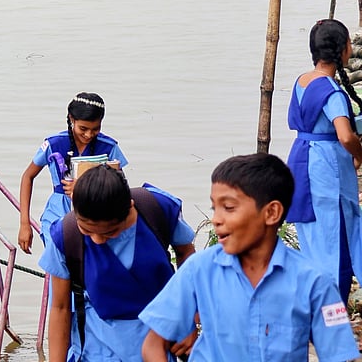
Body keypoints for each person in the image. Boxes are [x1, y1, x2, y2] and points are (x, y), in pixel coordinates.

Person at [141, 153, 360, 362]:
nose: (216, 219)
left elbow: (336, 353)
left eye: (228, 208)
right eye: (214, 208)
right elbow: (153, 344)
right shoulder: (198, 269)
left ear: (272, 213)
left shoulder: (314, 282)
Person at [40, 164, 196, 361]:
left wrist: (188, 318)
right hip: (98, 347)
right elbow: (60, 307)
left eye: (110, 232)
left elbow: (186, 254)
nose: (97, 240)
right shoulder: (66, 235)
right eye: (87, 230)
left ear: (130, 207)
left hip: (160, 338)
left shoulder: (157, 209)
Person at [285, 18, 362, 303]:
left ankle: (312, 302)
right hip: (326, 166)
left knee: (313, 236)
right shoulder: (331, 92)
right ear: (342, 49)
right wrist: (359, 154)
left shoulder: (302, 82)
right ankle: (332, 310)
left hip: (301, 159)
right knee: (336, 239)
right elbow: (344, 135)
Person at [18, 93, 129, 252]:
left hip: (97, 213)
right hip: (58, 212)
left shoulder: (109, 147)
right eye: (83, 128)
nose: (89, 135)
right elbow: (28, 176)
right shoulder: (53, 144)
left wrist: (85, 188)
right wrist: (24, 223)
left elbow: (122, 187)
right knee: (58, 259)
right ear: (71, 119)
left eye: (95, 129)